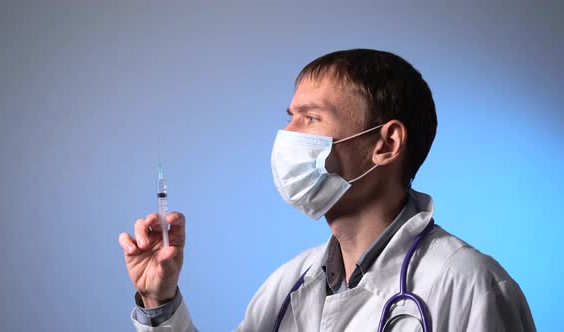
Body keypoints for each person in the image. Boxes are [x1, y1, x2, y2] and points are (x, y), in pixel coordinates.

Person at [118, 49, 536, 331]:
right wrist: (160, 300)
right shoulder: (288, 286)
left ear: (385, 144)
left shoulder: (470, 286)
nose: (286, 135)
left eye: (311, 119)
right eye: (290, 117)